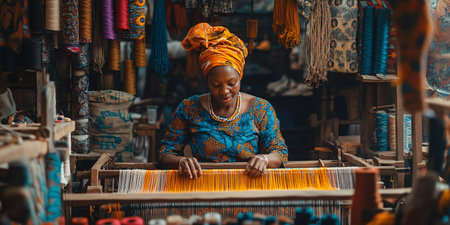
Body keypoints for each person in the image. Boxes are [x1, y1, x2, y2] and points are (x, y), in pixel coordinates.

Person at [159, 23, 288, 179]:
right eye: (216, 85)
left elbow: (280, 153)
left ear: (240, 77)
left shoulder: (260, 109)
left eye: (232, 83)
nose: (224, 91)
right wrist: (181, 161)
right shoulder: (189, 108)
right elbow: (166, 154)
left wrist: (264, 159)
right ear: (207, 81)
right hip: (202, 189)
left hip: (249, 190)